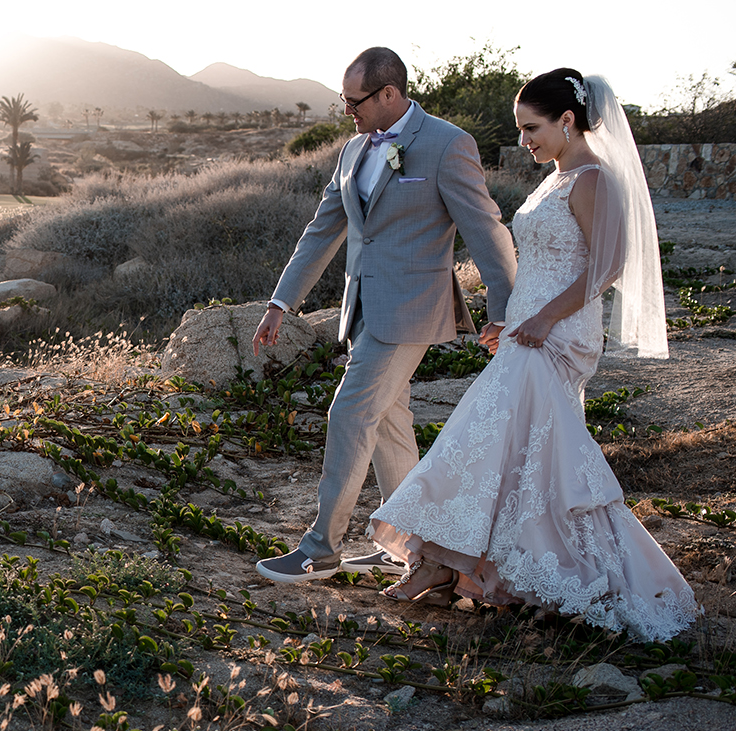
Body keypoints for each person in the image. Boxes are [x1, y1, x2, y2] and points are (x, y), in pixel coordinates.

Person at [367, 69, 696, 641]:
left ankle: (448, 563)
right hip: (530, 329)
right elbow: (544, 264)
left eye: (532, 128)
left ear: (568, 120)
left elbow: (605, 267)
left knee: (481, 434)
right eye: (520, 130)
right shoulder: (556, 178)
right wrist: (512, 319)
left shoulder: (593, 179)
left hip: (561, 334)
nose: (525, 141)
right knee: (515, 451)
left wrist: (544, 318)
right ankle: (461, 566)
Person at [253, 47, 518, 584]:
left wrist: (504, 310)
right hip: (361, 309)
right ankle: (407, 544)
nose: (347, 110)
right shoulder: (352, 150)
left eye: (355, 100)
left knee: (350, 414)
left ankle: (320, 549)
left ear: (390, 94)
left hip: (413, 310)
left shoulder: (448, 145)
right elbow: (321, 231)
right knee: (392, 425)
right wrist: (281, 302)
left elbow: (487, 231)